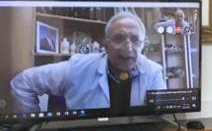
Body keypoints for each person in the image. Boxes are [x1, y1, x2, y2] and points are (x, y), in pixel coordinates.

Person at [11, 11, 165, 114]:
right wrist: (34, 124)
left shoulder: (153, 71)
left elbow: (163, 115)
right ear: (105, 45)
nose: (129, 47)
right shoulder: (77, 68)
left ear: (143, 45)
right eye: (119, 38)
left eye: (135, 39)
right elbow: (22, 82)